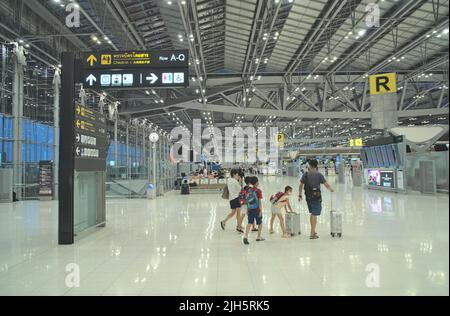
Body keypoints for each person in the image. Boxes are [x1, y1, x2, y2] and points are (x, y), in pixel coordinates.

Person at [299, 159, 334, 240]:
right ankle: (312, 233)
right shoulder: (319, 175)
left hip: (308, 197)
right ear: (316, 166)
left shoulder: (306, 174)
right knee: (314, 214)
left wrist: (300, 195)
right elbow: (326, 184)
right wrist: (331, 189)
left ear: (310, 165)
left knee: (312, 213)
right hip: (316, 197)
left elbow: (301, 185)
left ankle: (313, 231)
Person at [243, 177, 264, 245]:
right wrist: (260, 211)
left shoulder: (248, 190)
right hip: (257, 209)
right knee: (260, 223)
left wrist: (247, 209)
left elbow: (246, 201)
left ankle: (245, 236)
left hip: (250, 209)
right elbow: (259, 202)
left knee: (249, 223)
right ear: (256, 183)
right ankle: (258, 237)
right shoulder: (258, 191)